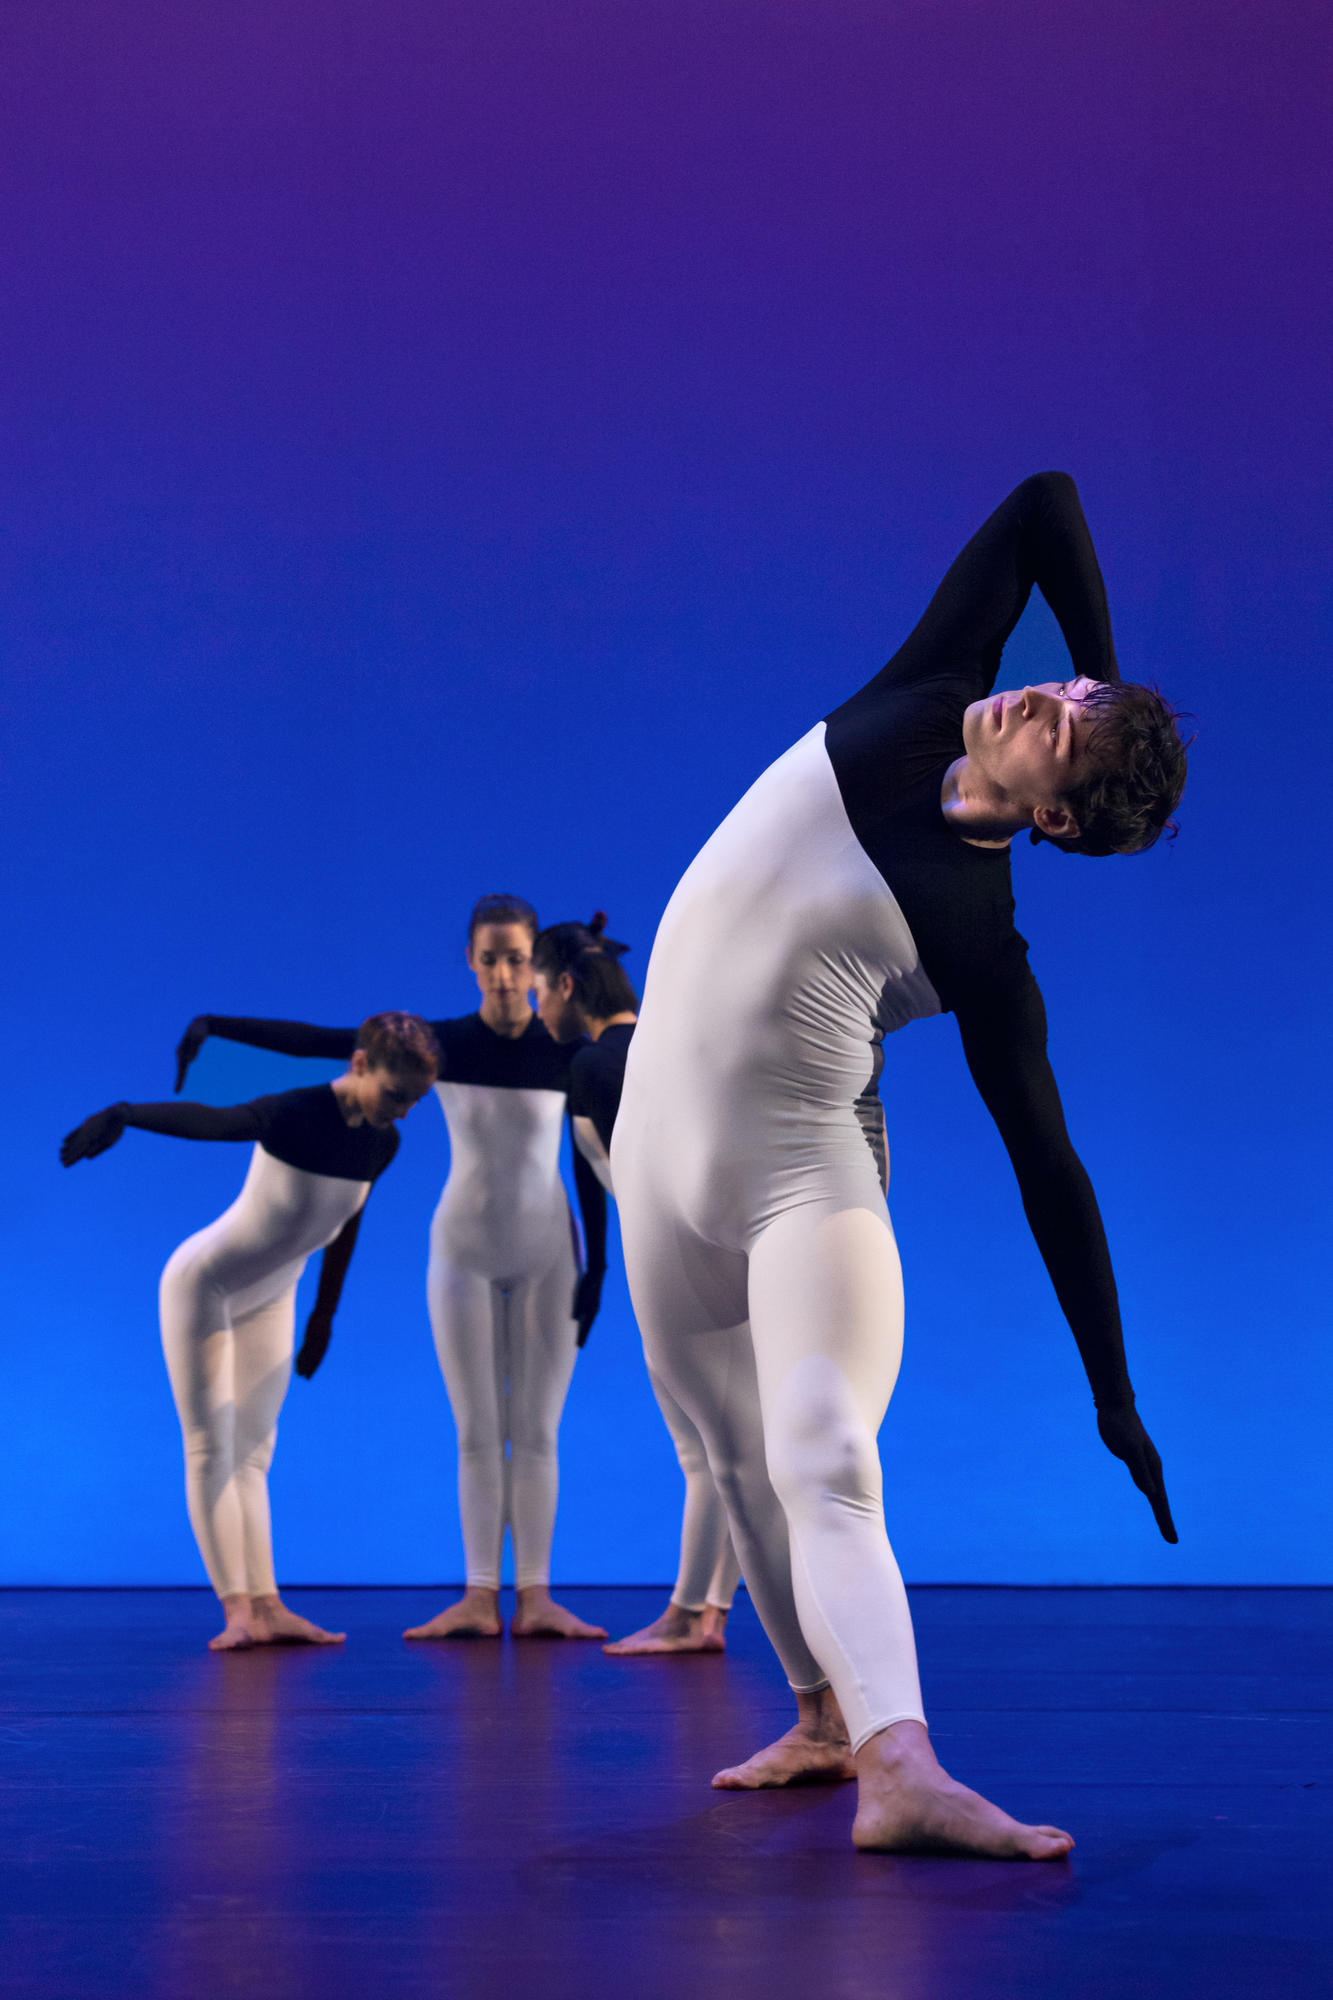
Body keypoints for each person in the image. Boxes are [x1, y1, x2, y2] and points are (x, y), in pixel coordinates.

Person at [611, 471, 1188, 1858]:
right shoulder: (928, 693)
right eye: (1067, 687)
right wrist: (1114, 674)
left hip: (802, 1181)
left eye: (1069, 730)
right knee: (732, 1468)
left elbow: (1049, 1169)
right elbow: (1047, 503)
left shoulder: (982, 946)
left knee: (820, 1448)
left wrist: (1114, 1400)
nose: (1045, 699)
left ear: (1054, 822)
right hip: (653, 1168)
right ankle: (821, 1718)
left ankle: (902, 1767)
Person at [172, 895, 609, 1642]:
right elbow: (322, 1042)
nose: (504, 974)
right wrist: (218, 1024)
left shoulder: (565, 1049)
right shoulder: (439, 1044)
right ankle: (478, 1597)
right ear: (471, 962)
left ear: (536, 964)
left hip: (548, 1254)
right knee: (476, 1431)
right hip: (460, 1255)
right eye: (490, 958)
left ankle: (534, 1597)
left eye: (517, 958)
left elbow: (587, 1154)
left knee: (536, 1431)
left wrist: (599, 1262)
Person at [60, 1013, 440, 1651]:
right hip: (204, 1285)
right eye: (397, 1097)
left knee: (256, 1457)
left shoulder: (382, 1142)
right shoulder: (297, 1112)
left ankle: (268, 1604)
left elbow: (345, 1226)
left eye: (415, 1102)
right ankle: (237, 1610)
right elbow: (220, 1121)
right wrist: (125, 1115)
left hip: (275, 1296)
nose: (403, 1114)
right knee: (212, 1447)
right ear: (359, 1066)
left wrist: (326, 1313)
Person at [531, 917, 742, 1657]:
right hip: (712, 1246)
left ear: (564, 985)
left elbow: (622, 1169)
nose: (536, 1009)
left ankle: (688, 1615)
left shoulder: (594, 1063)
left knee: (705, 1450)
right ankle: (710, 1610)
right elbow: (596, 1165)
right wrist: (598, 1267)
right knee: (730, 1445)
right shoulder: (657, 1047)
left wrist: (613, 1265)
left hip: (676, 1255)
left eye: (538, 989)